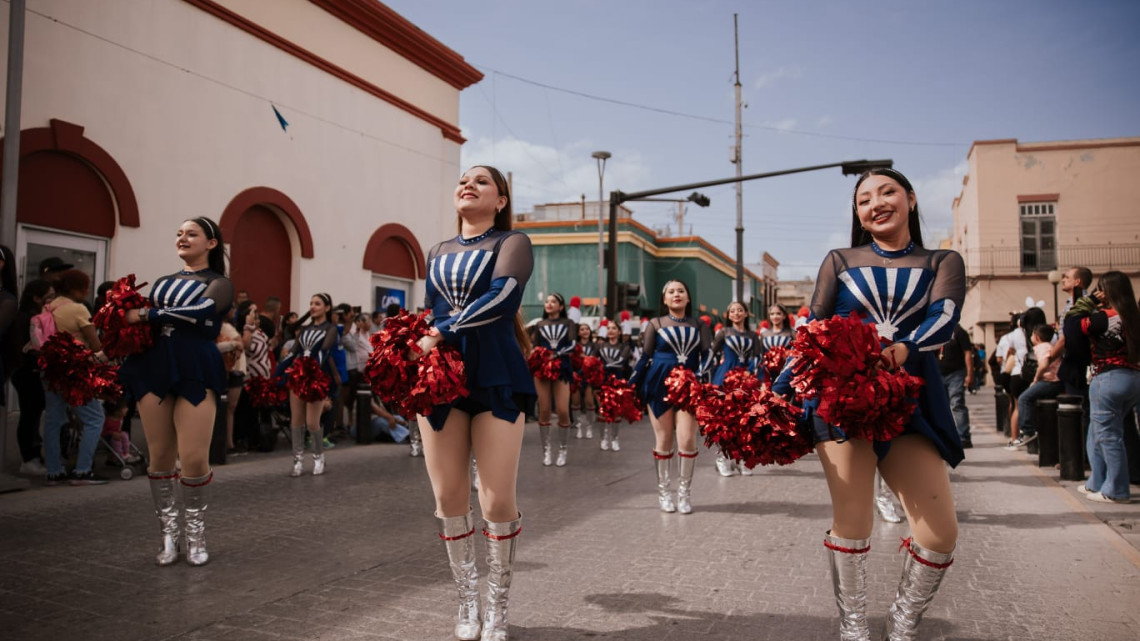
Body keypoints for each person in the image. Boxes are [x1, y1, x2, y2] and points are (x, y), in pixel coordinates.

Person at [775, 168, 964, 640]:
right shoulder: (839, 259)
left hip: (911, 398)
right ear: (857, 213)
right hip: (840, 400)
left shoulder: (942, 260)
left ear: (912, 200)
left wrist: (904, 349)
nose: (876, 203)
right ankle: (854, 626)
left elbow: (945, 317)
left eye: (888, 192)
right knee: (853, 520)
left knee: (939, 533)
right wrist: (775, 391)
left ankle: (902, 621)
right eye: (864, 199)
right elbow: (809, 332)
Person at [415, 165, 535, 641]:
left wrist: (441, 331)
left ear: (501, 201)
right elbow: (429, 308)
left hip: (496, 369)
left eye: (482, 181)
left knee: (496, 496)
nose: (468, 185)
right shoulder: (436, 251)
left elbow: (504, 296)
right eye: (463, 179)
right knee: (447, 495)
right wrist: (410, 339)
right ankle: (467, 599)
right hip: (441, 373)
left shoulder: (512, 243)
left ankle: (497, 605)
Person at [120, 217, 234, 566]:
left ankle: (196, 533)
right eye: (179, 233)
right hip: (154, 366)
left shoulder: (219, 282)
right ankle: (169, 536)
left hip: (196, 366)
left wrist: (145, 314)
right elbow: (134, 325)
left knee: (195, 457)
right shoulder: (163, 282)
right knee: (160, 457)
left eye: (192, 233)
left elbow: (203, 313)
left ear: (211, 243)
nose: (183, 238)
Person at [630, 279, 712, 515]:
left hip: (689, 387)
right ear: (664, 299)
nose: (676, 294)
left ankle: (684, 493)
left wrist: (698, 377)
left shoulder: (699, 325)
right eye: (671, 291)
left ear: (688, 297)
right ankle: (664, 492)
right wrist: (629, 385)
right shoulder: (654, 324)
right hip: (658, 385)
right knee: (664, 440)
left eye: (681, 291)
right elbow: (644, 358)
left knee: (687, 440)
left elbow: (707, 356)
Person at [1074, 271, 1140, 503]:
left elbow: (1074, 326)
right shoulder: (1133, 315)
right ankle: (1096, 482)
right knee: (1098, 431)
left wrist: (1088, 301)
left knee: (1109, 436)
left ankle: (1117, 490)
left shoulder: (1104, 317)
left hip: (1108, 379)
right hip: (1133, 377)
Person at [42, 269, 109, 486]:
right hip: (76, 372)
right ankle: (82, 471)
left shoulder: (49, 306)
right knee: (94, 418)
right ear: (75, 289)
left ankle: (53, 470)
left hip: (52, 371)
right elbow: (95, 343)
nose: (86, 292)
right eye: (84, 288)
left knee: (53, 420)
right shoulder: (77, 309)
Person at [282, 293, 341, 477]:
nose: (313, 306)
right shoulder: (304, 329)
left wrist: (312, 368)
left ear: (327, 307)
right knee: (296, 421)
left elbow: (325, 351)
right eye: (311, 303)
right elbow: (293, 352)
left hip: (316, 377)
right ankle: (298, 460)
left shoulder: (330, 329)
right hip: (298, 377)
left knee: (311, 422)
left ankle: (318, 457)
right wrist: (280, 372)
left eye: (317, 303)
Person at [528, 293, 578, 467]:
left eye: (553, 301)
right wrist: (535, 356)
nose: (549, 304)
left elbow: (572, 345)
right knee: (544, 409)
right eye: (547, 301)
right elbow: (535, 347)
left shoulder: (569, 323)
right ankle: (546, 451)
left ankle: (563, 449)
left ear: (561, 306)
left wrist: (555, 354)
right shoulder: (539, 325)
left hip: (562, 367)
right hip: (542, 368)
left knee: (563, 410)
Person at [710, 300, 757, 477]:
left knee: (745, 421)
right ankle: (722, 458)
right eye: (732, 311)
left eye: (740, 310)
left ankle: (742, 459)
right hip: (724, 377)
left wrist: (751, 373)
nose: (736, 313)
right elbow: (711, 354)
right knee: (723, 421)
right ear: (728, 315)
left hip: (745, 378)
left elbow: (758, 357)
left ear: (746, 313)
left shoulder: (753, 336)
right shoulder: (723, 332)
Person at [11, 280, 53, 475]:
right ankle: (29, 458)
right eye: (49, 297)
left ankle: (33, 456)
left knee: (34, 414)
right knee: (30, 414)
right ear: (36, 298)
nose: (51, 301)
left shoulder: (36, 316)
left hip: (30, 371)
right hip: (26, 372)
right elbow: (30, 347)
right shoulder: (27, 318)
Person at [1010, 325, 1064, 451]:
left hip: (1050, 381)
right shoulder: (1049, 346)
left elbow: (1043, 365)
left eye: (1032, 335)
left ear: (1037, 337)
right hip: (1054, 381)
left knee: (1024, 398)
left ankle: (1028, 431)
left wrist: (1036, 378)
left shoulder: (1041, 347)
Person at [597, 322, 632, 451]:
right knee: (602, 410)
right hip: (603, 380)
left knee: (616, 411)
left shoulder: (624, 346)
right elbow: (595, 361)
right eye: (608, 328)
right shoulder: (600, 346)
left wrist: (606, 365)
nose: (611, 331)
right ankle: (603, 438)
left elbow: (622, 361)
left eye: (614, 328)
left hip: (618, 380)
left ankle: (614, 438)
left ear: (619, 331)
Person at [939, 323, 975, 448]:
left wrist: (969, 374)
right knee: (942, 407)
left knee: (957, 404)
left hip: (956, 374)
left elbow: (967, 353)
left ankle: (963, 437)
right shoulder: (936, 331)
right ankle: (945, 437)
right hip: (939, 374)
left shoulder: (959, 332)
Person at [216, 319, 246, 454]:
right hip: (222, 370)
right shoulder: (220, 326)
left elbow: (241, 345)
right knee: (226, 409)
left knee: (230, 408)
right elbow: (240, 343)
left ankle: (228, 444)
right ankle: (224, 444)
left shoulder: (226, 326)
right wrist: (234, 344)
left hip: (233, 369)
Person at [572, 322, 598, 439]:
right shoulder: (574, 345)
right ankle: (578, 426)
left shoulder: (595, 345)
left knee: (590, 403)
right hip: (576, 376)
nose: (585, 331)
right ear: (578, 332)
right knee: (575, 403)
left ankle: (589, 427)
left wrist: (583, 357)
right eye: (582, 329)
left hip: (589, 377)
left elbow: (594, 360)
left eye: (587, 329)